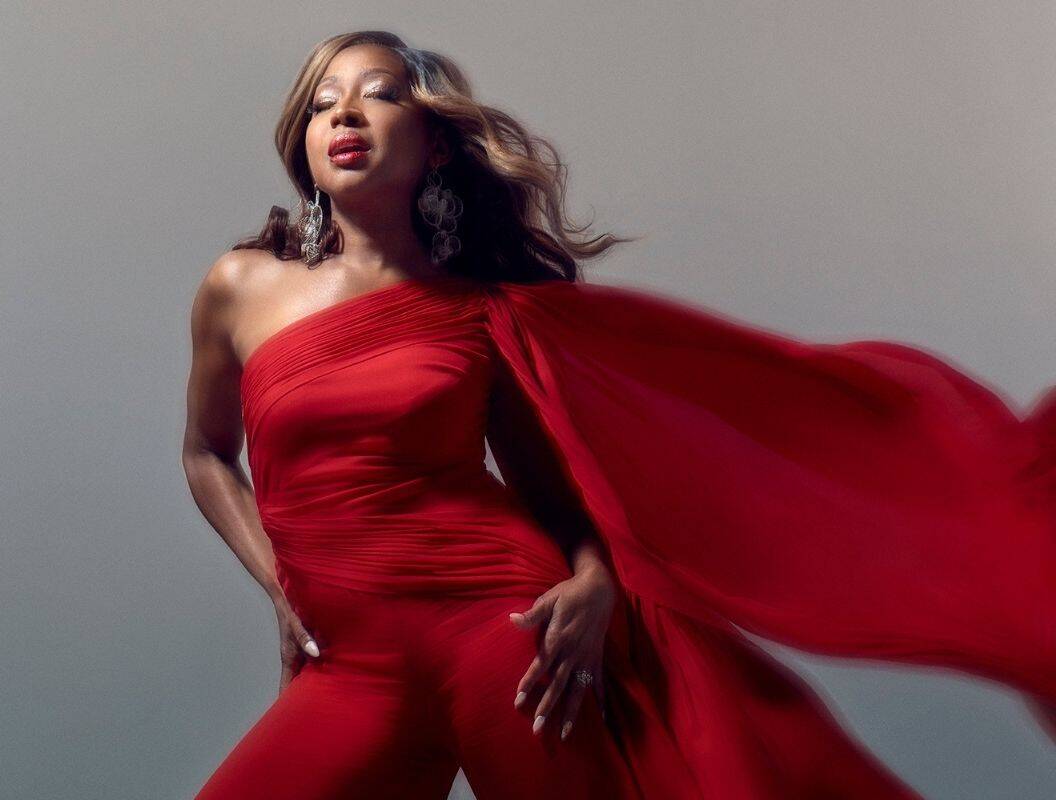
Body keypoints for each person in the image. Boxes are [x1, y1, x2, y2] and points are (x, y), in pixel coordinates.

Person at [181, 31, 1056, 800]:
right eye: (323, 103)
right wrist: (280, 585)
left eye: (378, 94)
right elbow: (207, 454)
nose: (345, 114)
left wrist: (596, 582)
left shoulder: (483, 316)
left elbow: (549, 490)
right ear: (304, 140)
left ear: (437, 142)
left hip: (509, 632)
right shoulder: (241, 287)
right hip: (354, 661)